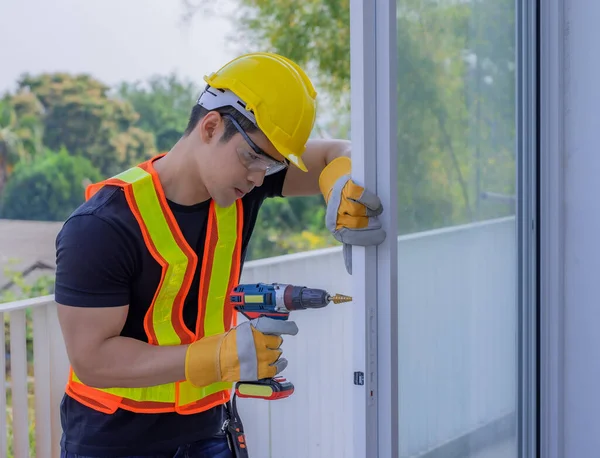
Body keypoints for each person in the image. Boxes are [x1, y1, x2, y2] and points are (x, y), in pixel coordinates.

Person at [54, 52, 386, 458]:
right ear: (211, 127)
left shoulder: (244, 182)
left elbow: (336, 150)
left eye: (274, 164)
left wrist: (339, 182)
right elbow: (92, 360)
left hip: (210, 430)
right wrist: (215, 357)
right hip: (115, 442)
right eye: (254, 158)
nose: (259, 177)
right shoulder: (101, 226)